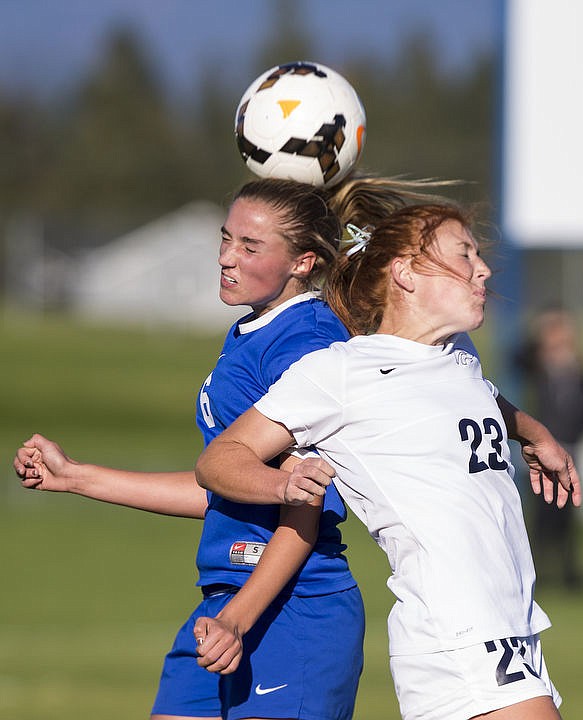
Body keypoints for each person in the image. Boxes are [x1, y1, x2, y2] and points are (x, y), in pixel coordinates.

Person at [13, 173, 460, 720]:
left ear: (302, 263)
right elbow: (225, 489)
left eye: (250, 246)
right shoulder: (255, 331)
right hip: (226, 605)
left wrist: (239, 619)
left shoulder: (306, 341)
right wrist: (76, 476)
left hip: (293, 610)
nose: (227, 256)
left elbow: (305, 498)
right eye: (226, 238)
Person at [194, 202, 581, 720]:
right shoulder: (340, 373)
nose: (483, 269)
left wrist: (535, 434)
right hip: (457, 631)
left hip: (509, 626)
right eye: (464, 254)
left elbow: (479, 398)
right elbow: (221, 459)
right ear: (405, 273)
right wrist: (282, 486)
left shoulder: (457, 355)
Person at [515, 308, 583, 589]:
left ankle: (570, 573)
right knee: (541, 518)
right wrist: (541, 335)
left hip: (569, 449)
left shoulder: (577, 369)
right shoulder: (540, 366)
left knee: (568, 516)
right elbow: (518, 358)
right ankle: (538, 572)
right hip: (541, 452)